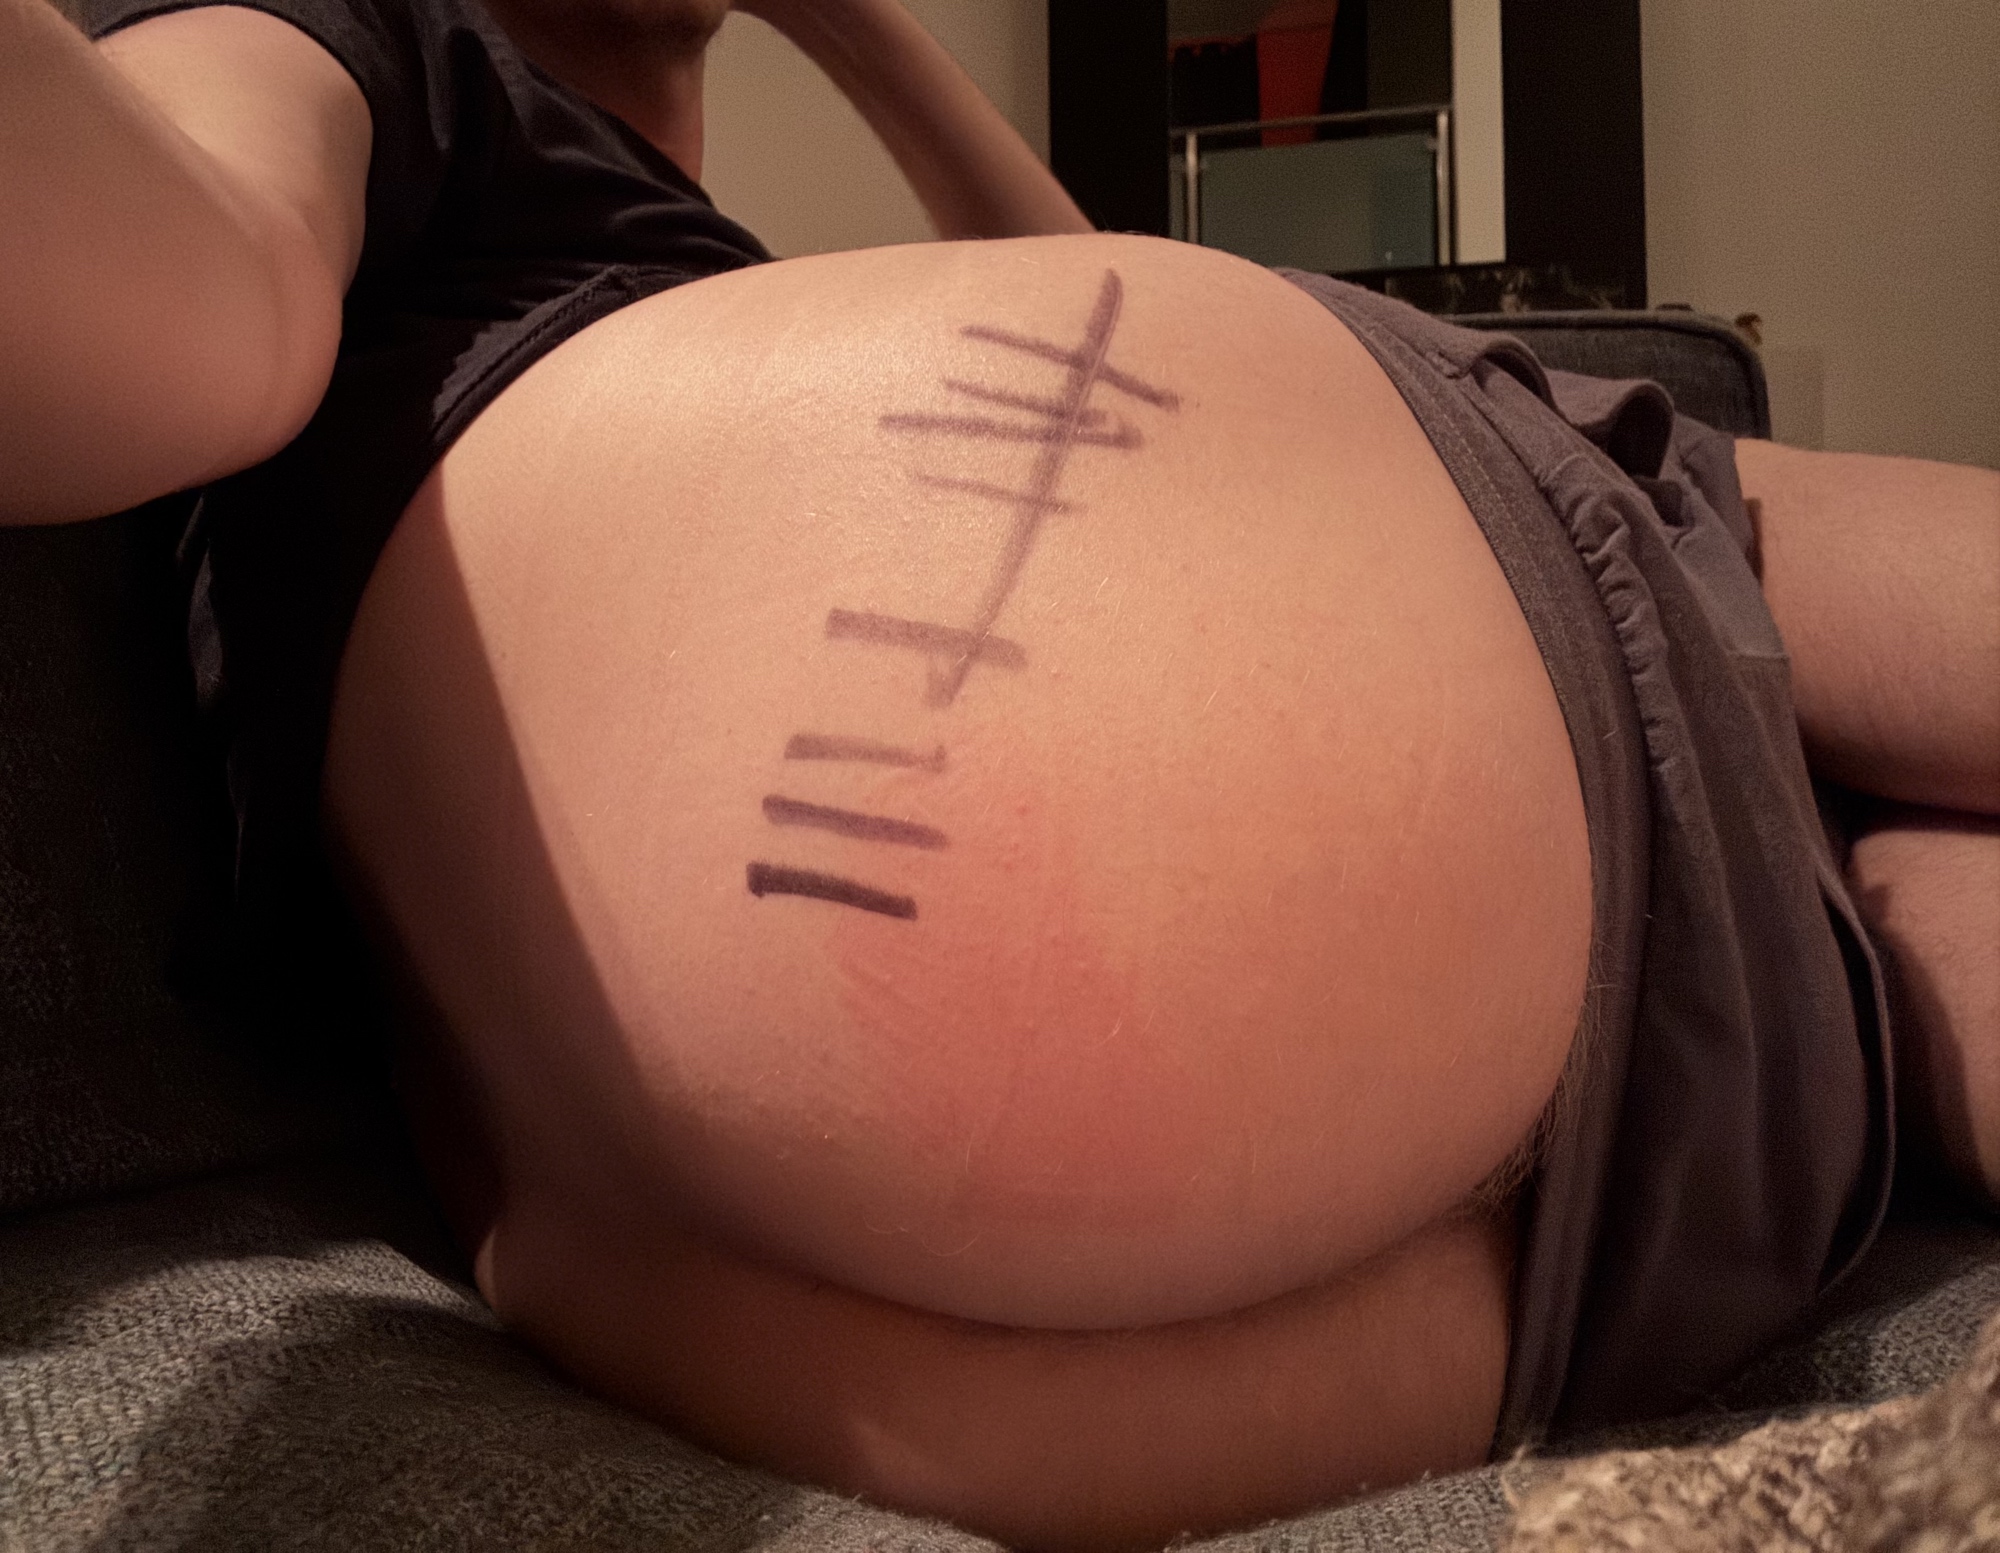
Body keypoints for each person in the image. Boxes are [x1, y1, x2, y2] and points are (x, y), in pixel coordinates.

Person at [3, 0, 1996, 1546]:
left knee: (1883, 903)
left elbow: (1127, 312)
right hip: (1404, 911)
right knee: (1771, 549)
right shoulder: (367, 39)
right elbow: (189, 301)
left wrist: (871, 41)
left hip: (1022, 1321)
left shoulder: (677, 280)